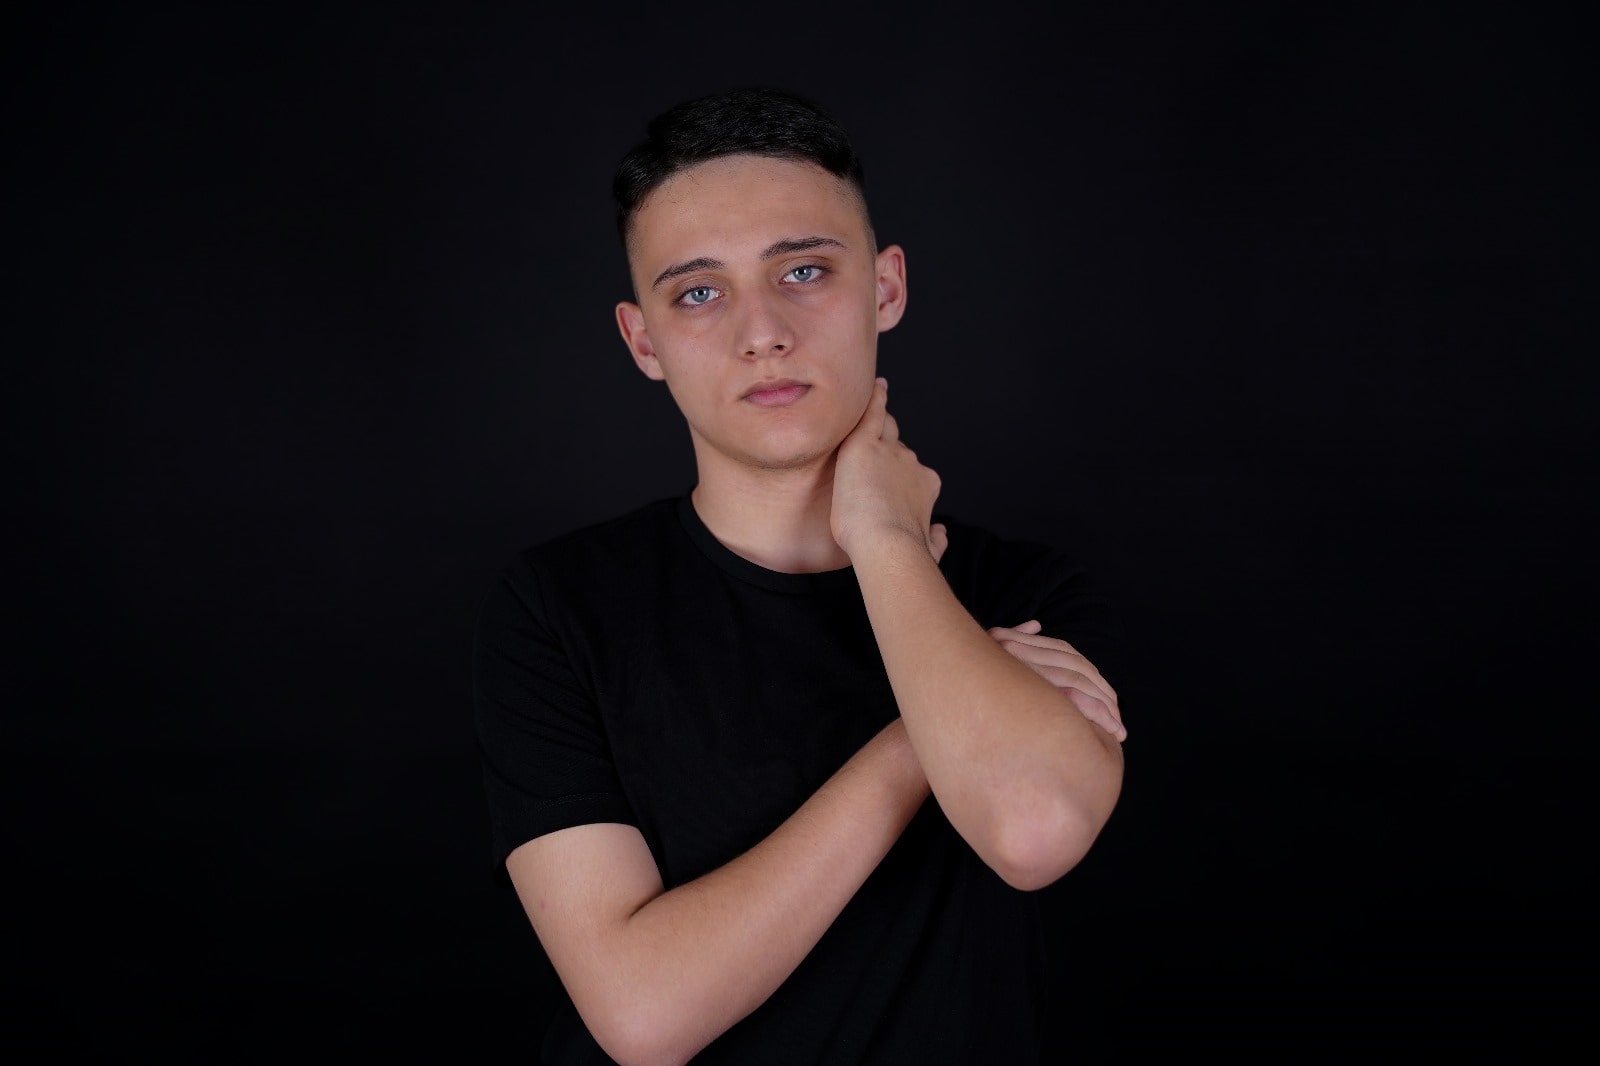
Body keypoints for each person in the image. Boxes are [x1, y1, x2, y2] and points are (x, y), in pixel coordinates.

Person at [472, 86, 1127, 1066]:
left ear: (886, 288)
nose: (762, 332)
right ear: (643, 341)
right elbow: (643, 1017)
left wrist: (885, 539)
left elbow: (1031, 830)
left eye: (805, 271)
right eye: (699, 293)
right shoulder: (557, 607)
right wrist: (913, 746)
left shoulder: (1025, 591)